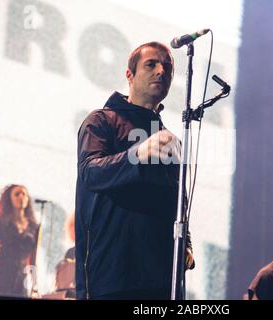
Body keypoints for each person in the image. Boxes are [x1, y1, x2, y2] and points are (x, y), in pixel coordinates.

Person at [75, 41, 194, 300]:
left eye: (167, 67)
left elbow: (177, 199)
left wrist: (187, 242)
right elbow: (90, 172)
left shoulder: (169, 138)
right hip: (113, 276)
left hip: (162, 279)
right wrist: (137, 155)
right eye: (151, 64)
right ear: (129, 75)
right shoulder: (100, 120)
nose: (161, 71)